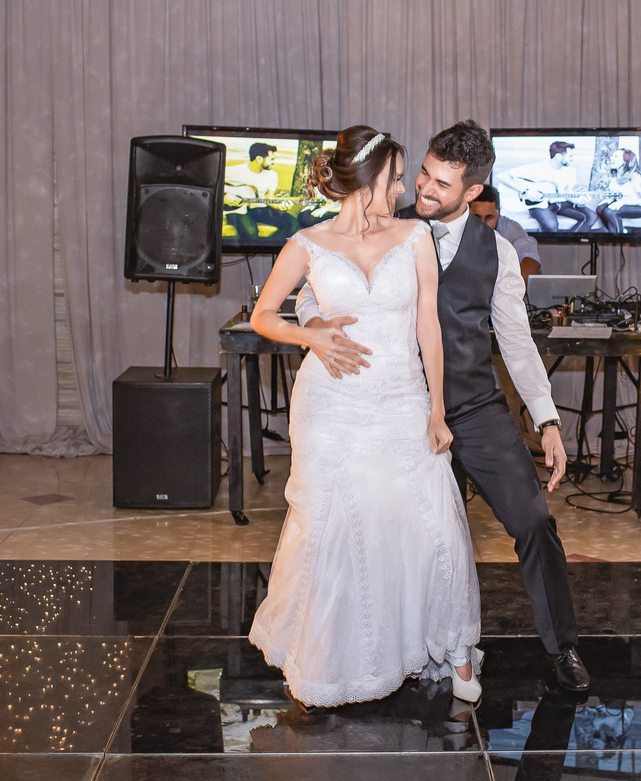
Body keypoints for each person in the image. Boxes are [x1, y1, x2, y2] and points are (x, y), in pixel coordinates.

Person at [298, 121, 591, 693]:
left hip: (476, 408)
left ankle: (564, 647)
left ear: (474, 191)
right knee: (406, 536)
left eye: (441, 184)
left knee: (533, 521)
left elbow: (516, 341)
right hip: (403, 409)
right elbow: (318, 280)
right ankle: (403, 648)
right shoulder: (384, 221)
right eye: (424, 175)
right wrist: (313, 324)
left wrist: (547, 418)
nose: (424, 191)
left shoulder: (500, 254)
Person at [247, 126, 483, 707]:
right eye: (398, 177)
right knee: (337, 534)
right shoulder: (308, 242)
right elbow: (262, 317)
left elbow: (428, 325)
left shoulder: (416, 237)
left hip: (403, 401)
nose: (407, 189)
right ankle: (331, 658)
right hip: (331, 408)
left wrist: (437, 409)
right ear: (369, 180)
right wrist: (312, 337)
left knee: (432, 529)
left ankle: (455, 649)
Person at [496, 141, 598, 234]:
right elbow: (501, 176)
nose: (572, 158)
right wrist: (526, 191)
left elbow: (567, 192)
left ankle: (567, 242)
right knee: (551, 227)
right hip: (539, 203)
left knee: (591, 216)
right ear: (558, 157)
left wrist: (577, 200)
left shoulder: (571, 171)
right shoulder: (538, 168)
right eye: (570, 155)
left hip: (560, 202)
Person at [224, 142, 301, 243]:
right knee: (251, 233)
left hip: (260, 209)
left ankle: (266, 245)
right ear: (259, 159)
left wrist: (280, 207)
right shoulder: (233, 171)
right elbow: (208, 183)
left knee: (293, 224)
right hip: (237, 210)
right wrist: (225, 196)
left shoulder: (273, 175)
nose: (274, 162)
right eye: (271, 159)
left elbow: (269, 199)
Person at [470, 184, 542, 280]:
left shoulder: (510, 228)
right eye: (477, 217)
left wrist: (508, 289)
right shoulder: (456, 227)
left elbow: (532, 262)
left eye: (489, 217)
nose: (483, 224)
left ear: (498, 212)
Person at [596, 149, 641, 234]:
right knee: (600, 209)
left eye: (616, 156)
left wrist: (623, 202)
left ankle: (619, 236)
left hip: (640, 206)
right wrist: (610, 200)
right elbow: (619, 194)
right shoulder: (615, 175)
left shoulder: (635, 177)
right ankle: (616, 231)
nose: (611, 158)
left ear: (625, 162)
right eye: (612, 156)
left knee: (610, 212)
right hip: (623, 202)